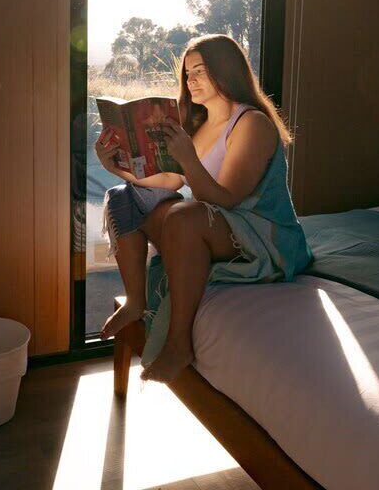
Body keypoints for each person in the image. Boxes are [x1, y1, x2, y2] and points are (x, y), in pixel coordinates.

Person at [94, 34, 311, 383]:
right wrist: (114, 168)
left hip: (259, 234)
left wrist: (188, 159)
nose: (190, 80)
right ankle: (136, 299)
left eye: (200, 71)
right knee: (124, 196)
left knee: (183, 216)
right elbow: (169, 182)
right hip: (216, 224)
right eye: (187, 73)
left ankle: (179, 343)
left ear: (226, 72)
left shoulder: (251, 123)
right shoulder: (197, 124)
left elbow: (227, 198)